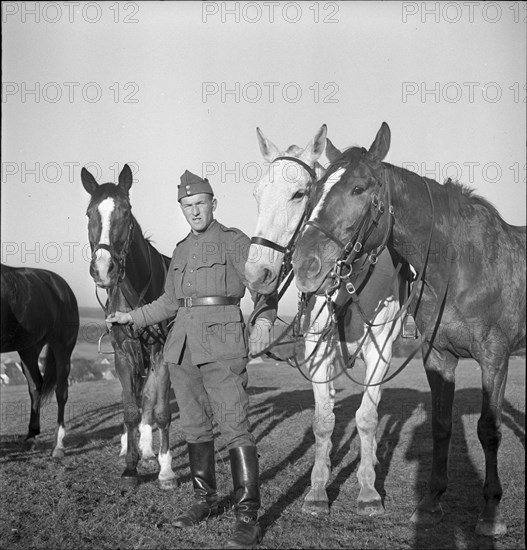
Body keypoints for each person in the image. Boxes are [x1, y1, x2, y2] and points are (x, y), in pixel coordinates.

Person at [106, 170, 275, 549]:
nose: (194, 212)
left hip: (223, 346)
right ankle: (204, 499)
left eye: (200, 204)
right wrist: (131, 317)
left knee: (234, 427)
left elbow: (264, 285)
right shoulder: (180, 249)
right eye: (187, 206)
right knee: (196, 428)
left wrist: (263, 320)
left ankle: (248, 516)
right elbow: (169, 302)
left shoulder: (235, 242)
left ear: (213, 204)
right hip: (181, 348)